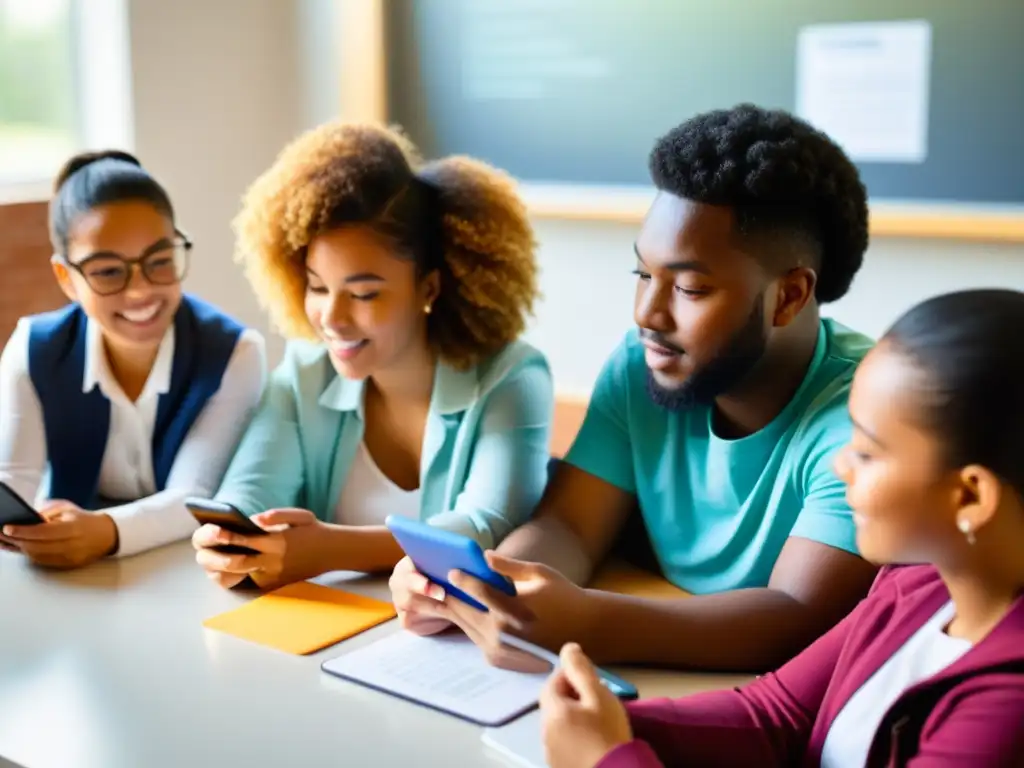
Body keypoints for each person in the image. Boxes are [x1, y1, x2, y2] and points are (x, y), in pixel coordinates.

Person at [391, 103, 879, 671]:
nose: (647, 313)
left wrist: (587, 622)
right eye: (643, 274)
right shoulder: (641, 364)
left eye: (690, 289)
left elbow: (796, 616)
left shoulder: (865, 415)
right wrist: (489, 583)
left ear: (790, 296)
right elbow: (570, 527)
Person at [538, 288, 1024, 768]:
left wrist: (605, 760)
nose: (842, 466)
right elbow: (776, 715)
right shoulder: (916, 582)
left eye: (868, 452)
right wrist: (610, 726)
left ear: (970, 496)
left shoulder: (1009, 707)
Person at [192, 121, 551, 591]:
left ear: (429, 287)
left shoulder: (513, 378)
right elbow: (249, 494)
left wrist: (330, 550)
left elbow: (485, 528)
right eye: (318, 288)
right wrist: (229, 542)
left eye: (363, 294)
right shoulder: (303, 374)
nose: (332, 318)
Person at [0, 151, 266, 568]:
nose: (140, 291)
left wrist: (104, 532)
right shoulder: (34, 349)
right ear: (67, 279)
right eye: (108, 271)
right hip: (72, 577)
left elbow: (194, 496)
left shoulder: (235, 353)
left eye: (159, 261)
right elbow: (11, 487)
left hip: (185, 570)